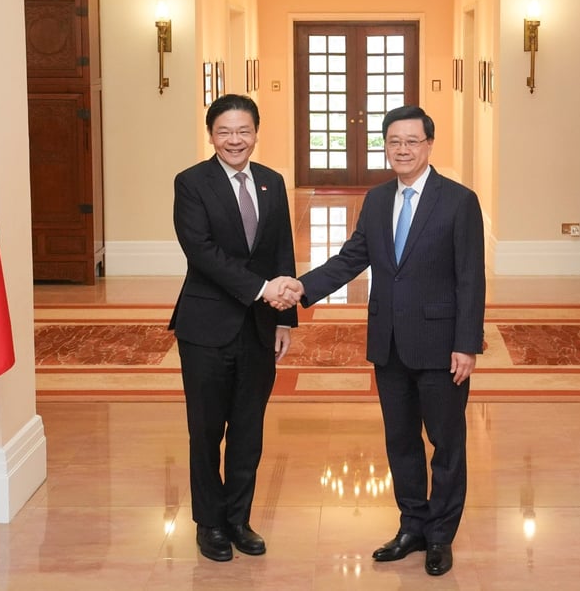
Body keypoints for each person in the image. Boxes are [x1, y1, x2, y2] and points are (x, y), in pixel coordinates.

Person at [275, 104, 485, 576]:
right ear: (384, 146)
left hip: (441, 345)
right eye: (394, 141)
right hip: (389, 343)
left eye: (412, 141)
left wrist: (466, 344)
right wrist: (301, 287)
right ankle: (412, 524)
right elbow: (351, 259)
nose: (403, 149)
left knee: (446, 444)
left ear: (430, 145)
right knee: (400, 441)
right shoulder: (375, 200)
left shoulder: (458, 201)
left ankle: (439, 537)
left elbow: (471, 277)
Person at [169, 93, 298, 562]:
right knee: (206, 430)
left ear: (257, 133)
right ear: (211, 135)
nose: (235, 140)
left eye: (243, 131)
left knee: (248, 428)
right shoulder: (192, 183)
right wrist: (264, 289)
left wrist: (285, 316)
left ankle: (239, 519)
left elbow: (282, 248)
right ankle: (210, 523)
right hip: (205, 326)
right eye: (225, 131)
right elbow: (202, 252)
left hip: (260, 328)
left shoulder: (271, 182)